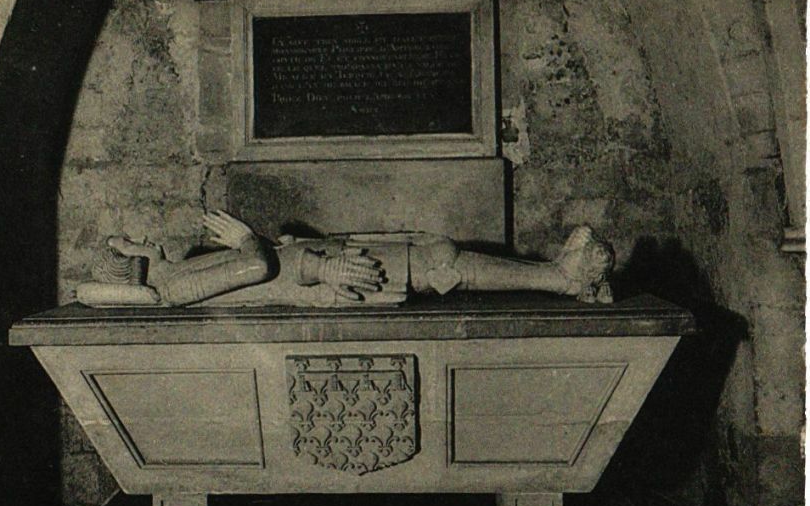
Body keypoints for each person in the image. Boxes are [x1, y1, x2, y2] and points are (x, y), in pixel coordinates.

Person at [76, 210, 614, 309]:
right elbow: (258, 270)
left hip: (314, 265)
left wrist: (281, 242)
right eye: (129, 244)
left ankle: (561, 277)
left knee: (437, 260)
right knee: (439, 264)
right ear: (132, 266)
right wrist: (246, 237)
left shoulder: (174, 276)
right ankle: (565, 279)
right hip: (323, 275)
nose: (139, 238)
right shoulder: (173, 286)